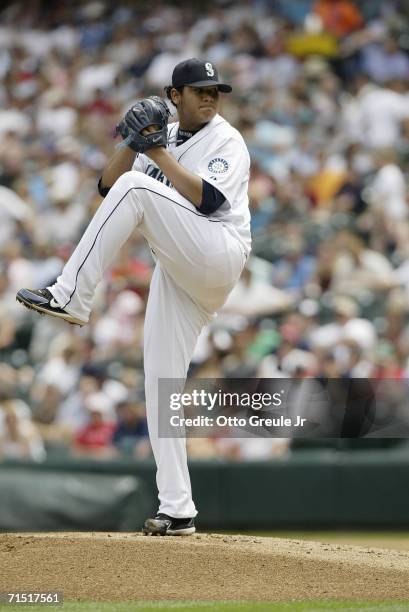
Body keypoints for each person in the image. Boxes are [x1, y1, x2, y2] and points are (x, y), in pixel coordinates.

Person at [16, 58, 251, 536]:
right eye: (199, 89)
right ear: (174, 94)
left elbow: (207, 201)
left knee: (137, 188)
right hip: (178, 265)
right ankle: (178, 507)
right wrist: (130, 141)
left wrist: (156, 153)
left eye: (215, 91)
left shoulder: (226, 139)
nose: (209, 97)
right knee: (159, 381)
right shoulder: (160, 133)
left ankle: (71, 295)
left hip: (217, 251)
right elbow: (107, 187)